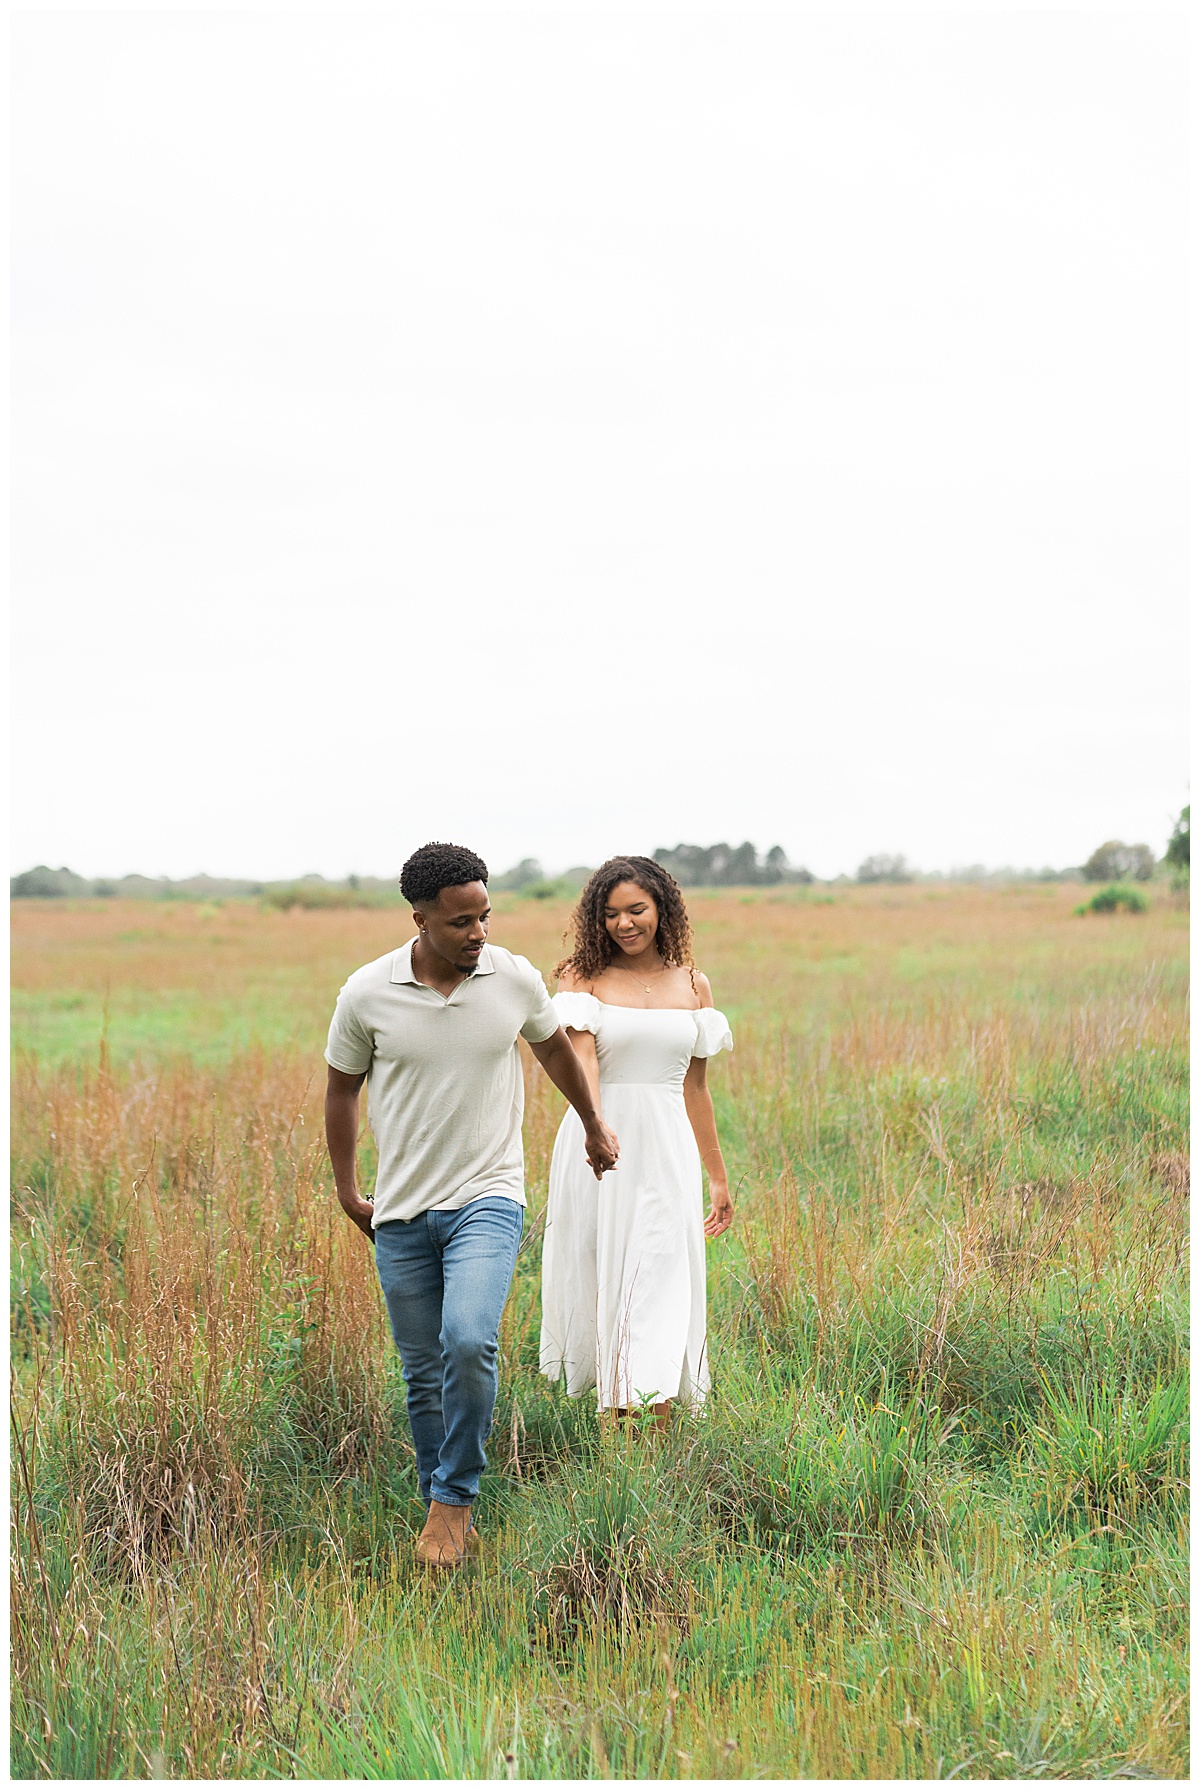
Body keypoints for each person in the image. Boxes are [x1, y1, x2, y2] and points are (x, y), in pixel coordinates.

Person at [324, 842, 619, 1568]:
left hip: (489, 1196)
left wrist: (592, 1123)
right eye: (461, 922)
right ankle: (443, 1512)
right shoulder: (367, 993)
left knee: (466, 1342)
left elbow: (553, 1051)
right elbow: (341, 1089)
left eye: (485, 915)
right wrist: (346, 1189)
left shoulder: (512, 977)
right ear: (420, 919)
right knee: (423, 1371)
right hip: (398, 1210)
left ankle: (453, 1502)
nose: (479, 933)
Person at [539, 855, 733, 1427]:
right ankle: (614, 1427)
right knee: (607, 1272)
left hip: (668, 1147)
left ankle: (659, 1419)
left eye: (636, 910)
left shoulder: (694, 984)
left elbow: (696, 1087)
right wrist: (597, 1128)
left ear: (662, 910)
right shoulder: (581, 976)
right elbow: (581, 1060)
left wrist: (717, 1176)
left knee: (663, 1272)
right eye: (611, 914)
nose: (624, 924)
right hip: (601, 1142)